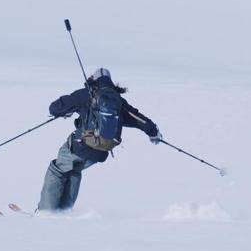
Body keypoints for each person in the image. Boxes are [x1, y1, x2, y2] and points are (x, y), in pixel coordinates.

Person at [38, 67, 161, 212]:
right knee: (74, 170)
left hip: (81, 145)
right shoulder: (118, 101)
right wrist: (153, 133)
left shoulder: (86, 95)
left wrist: (66, 111)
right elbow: (138, 119)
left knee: (57, 170)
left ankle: (46, 211)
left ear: (93, 79)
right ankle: (63, 212)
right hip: (100, 153)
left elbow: (54, 108)